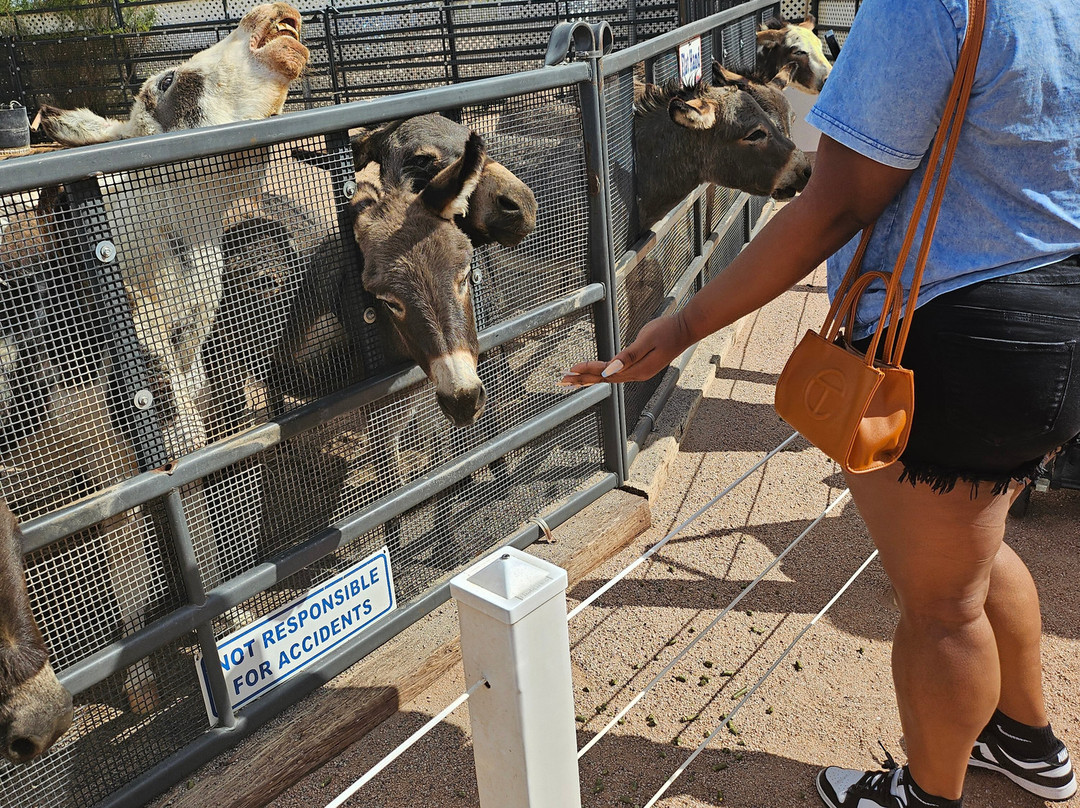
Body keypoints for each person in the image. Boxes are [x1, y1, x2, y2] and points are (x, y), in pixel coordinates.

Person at [562, 1, 1080, 806]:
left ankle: (925, 796)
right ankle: (1026, 741)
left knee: (941, 607)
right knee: (972, 549)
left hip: (953, 324)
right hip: (1057, 317)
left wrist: (687, 322)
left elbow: (838, 202)